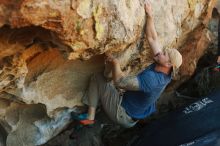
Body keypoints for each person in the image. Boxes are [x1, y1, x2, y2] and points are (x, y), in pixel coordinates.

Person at [78, 0, 182, 128]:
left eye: (164, 54)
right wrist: (150, 16)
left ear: (168, 64)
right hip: (134, 110)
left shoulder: (152, 80)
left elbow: (120, 82)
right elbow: (152, 38)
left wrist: (115, 62)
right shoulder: (165, 68)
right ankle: (99, 114)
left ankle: (90, 118)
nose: (161, 53)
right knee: (109, 80)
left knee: (97, 78)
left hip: (124, 114)